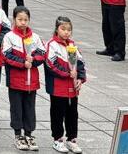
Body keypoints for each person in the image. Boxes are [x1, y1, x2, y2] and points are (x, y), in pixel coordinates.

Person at [2, 5, 46, 151]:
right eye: (20, 19)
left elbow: (42, 54)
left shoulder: (35, 37)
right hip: (15, 80)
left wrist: (33, 60)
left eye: (25, 20)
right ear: (14, 20)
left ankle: (29, 133)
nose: (23, 22)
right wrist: (22, 63)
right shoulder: (9, 36)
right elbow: (7, 56)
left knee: (29, 107)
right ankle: (18, 134)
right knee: (16, 108)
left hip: (31, 81)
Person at [45, 16, 86, 153]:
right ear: (57, 29)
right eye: (63, 29)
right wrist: (68, 72)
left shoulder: (72, 45)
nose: (66, 32)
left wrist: (80, 77)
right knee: (57, 113)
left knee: (72, 114)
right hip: (58, 87)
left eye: (69, 29)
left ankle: (71, 139)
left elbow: (80, 63)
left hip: (72, 88)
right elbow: (51, 65)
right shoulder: (51, 45)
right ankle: (58, 139)